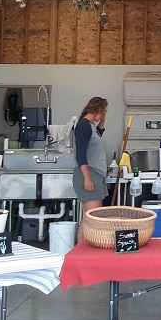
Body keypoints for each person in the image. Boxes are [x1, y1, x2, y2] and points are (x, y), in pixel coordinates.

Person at [73, 97, 109, 226]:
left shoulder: (90, 126)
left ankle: (82, 246)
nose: (105, 113)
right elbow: (81, 155)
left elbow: (99, 133)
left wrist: (102, 119)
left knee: (88, 218)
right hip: (89, 173)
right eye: (104, 111)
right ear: (97, 110)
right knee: (92, 219)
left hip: (94, 174)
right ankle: (84, 245)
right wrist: (87, 178)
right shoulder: (84, 126)